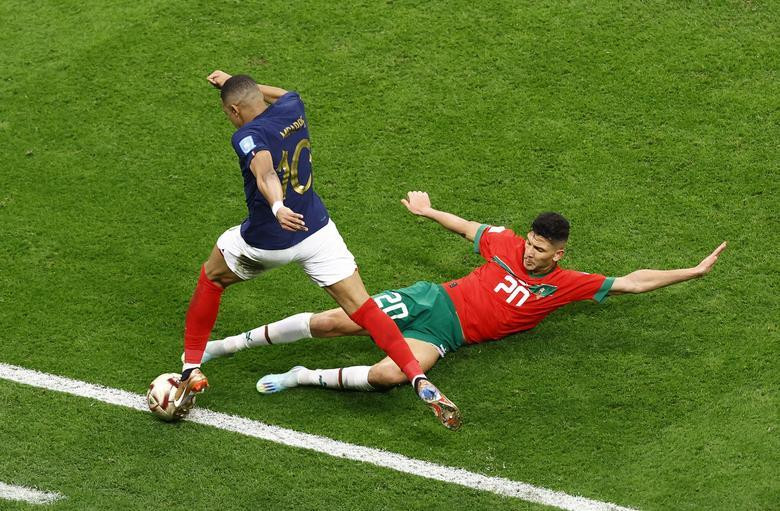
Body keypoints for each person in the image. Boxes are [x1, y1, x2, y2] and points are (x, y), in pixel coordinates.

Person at [200, 191, 727, 400]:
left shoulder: (566, 284)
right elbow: (468, 228)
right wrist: (429, 211)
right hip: (433, 301)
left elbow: (633, 281)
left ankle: (300, 377)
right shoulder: (504, 244)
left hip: (445, 336)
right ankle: (229, 345)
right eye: (530, 243)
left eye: (541, 250)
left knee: (389, 377)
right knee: (339, 321)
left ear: (558, 255)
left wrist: (692, 271)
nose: (530, 254)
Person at [172, 73, 459, 430]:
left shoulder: (246, 135)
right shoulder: (293, 106)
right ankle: (416, 376)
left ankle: (190, 366)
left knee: (212, 278)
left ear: (234, 109)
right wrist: (235, 80)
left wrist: (277, 206)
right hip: (318, 231)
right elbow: (280, 93)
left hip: (270, 240)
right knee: (363, 308)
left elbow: (264, 171)